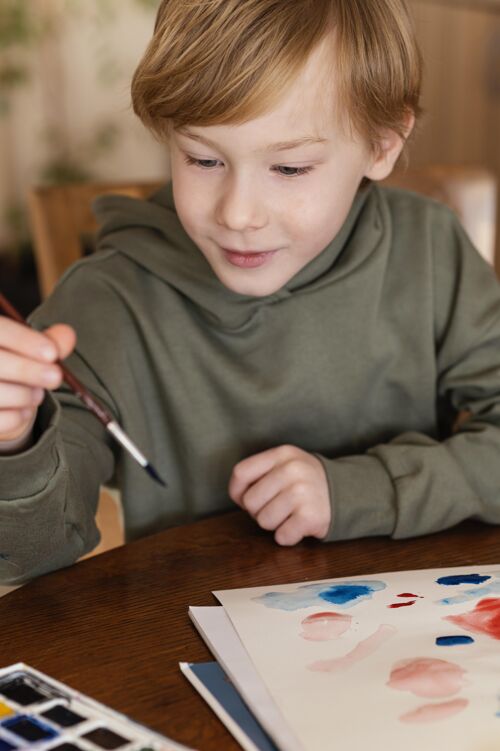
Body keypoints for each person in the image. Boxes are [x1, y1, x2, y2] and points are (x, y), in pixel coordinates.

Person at [1, 0, 500, 585]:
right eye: (202, 158)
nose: (237, 214)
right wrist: (15, 443)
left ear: (382, 146)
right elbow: (30, 553)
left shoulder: (429, 249)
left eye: (289, 169)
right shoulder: (107, 302)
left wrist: (363, 491)